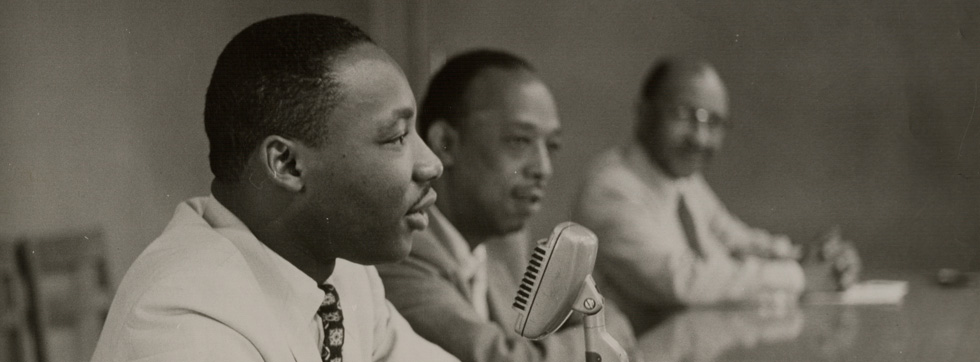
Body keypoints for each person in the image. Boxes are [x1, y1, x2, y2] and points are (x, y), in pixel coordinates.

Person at [91, 14, 458, 362]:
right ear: (286, 163)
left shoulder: (344, 274)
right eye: (397, 137)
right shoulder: (183, 326)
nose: (431, 164)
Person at [376, 50, 636, 362]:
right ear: (445, 142)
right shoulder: (401, 249)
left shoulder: (504, 240)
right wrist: (606, 335)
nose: (543, 168)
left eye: (551, 146)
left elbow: (594, 315)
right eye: (519, 141)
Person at [573, 58, 861, 323]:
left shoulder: (683, 181)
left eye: (713, 122)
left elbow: (736, 240)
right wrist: (798, 276)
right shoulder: (610, 188)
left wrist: (806, 257)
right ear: (643, 112)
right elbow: (682, 281)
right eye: (684, 115)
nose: (699, 138)